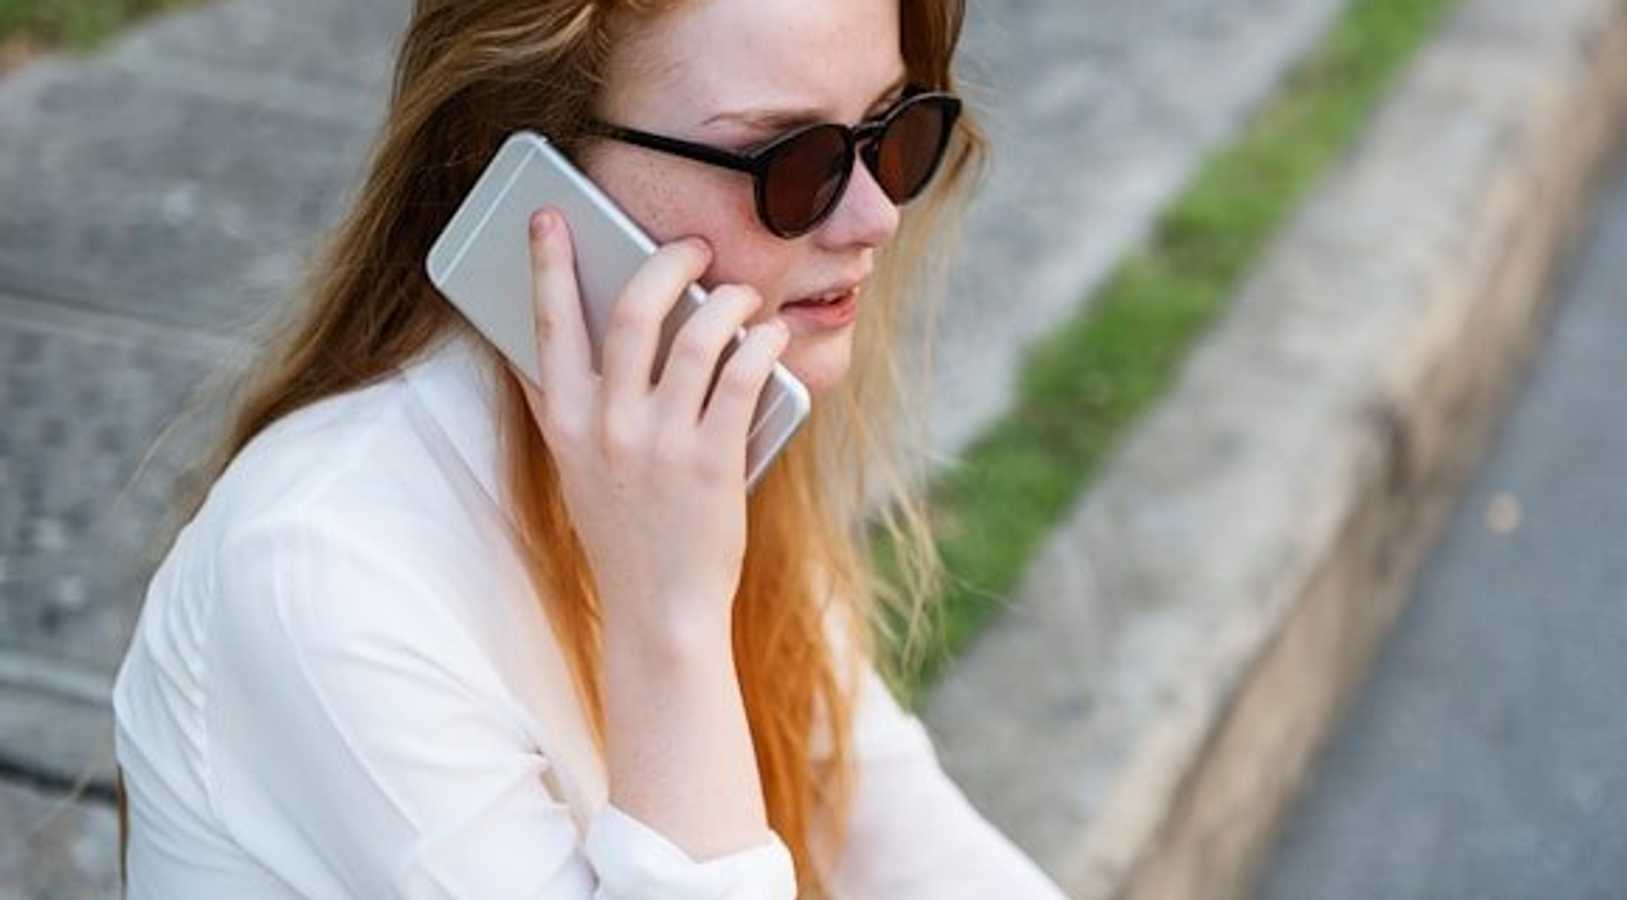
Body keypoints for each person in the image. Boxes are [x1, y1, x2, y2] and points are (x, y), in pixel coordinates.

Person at [109, 0, 1071, 897]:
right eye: (791, 162)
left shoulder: (673, 448)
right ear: (535, 173)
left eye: (893, 130)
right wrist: (671, 623)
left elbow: (896, 829)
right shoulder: (325, 575)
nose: (874, 218)